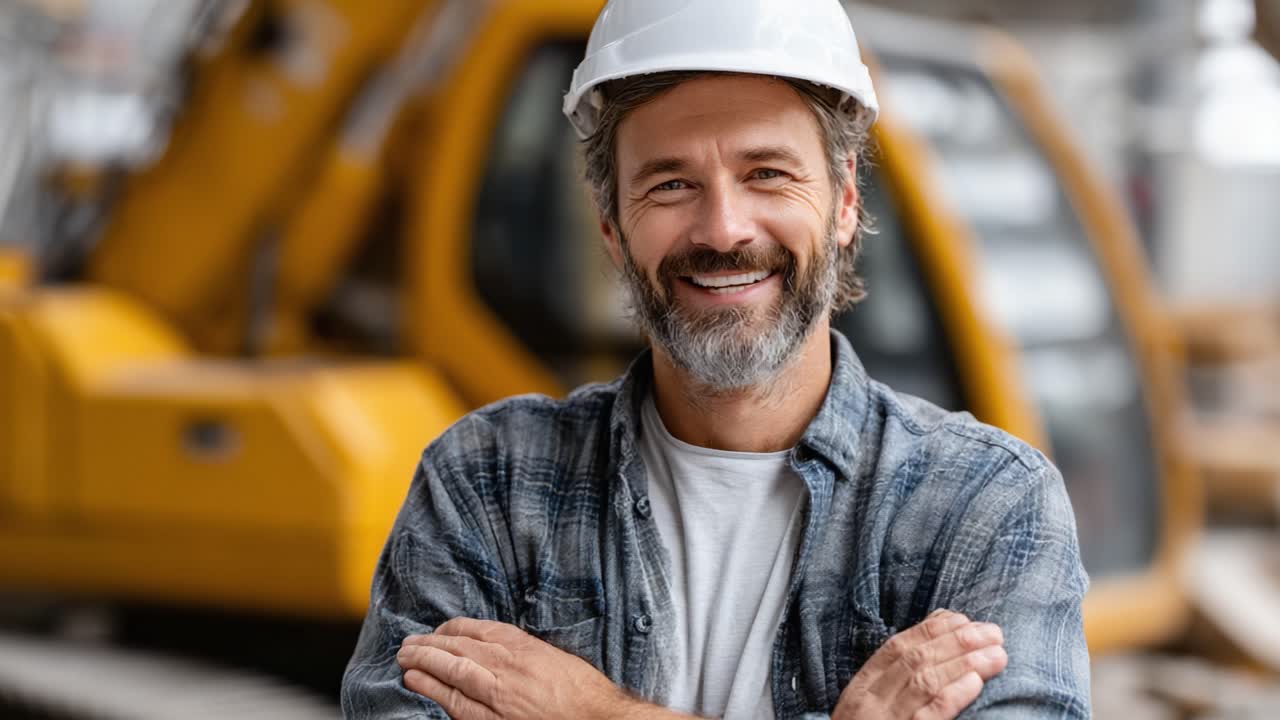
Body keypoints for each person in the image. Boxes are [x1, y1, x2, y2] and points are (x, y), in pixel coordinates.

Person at [341, 0, 1090, 717]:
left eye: (767, 173)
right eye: (671, 183)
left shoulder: (986, 506)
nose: (724, 228)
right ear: (610, 227)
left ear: (844, 202)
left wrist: (596, 714)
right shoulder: (486, 484)